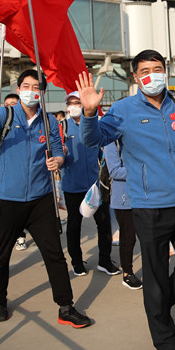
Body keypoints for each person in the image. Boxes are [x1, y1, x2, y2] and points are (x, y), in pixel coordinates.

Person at [78, 50, 175, 350]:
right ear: (136, 77)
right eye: (145, 70)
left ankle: (160, 305)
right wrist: (88, 113)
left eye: (158, 68)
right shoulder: (123, 110)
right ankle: (166, 343)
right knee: (154, 274)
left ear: (166, 71)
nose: (153, 75)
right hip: (149, 205)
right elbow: (92, 139)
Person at [0, 69, 92, 328]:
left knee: (54, 253)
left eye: (36, 87)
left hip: (41, 199)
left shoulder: (49, 121)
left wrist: (57, 160)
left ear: (43, 92)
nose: (31, 91)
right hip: (7, 199)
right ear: (19, 87)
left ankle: (65, 307)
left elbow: (59, 152)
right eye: (26, 85)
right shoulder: (5, 115)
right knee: (1, 254)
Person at [62, 91, 117, 277]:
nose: (73, 106)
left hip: (96, 186)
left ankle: (105, 261)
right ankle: (77, 262)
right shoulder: (61, 127)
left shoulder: (96, 125)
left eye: (77, 102)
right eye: (70, 103)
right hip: (72, 186)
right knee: (74, 225)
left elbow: (105, 150)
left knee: (103, 224)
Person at [104, 139, 142, 289]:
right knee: (128, 237)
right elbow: (114, 170)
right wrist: (141, 170)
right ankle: (127, 274)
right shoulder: (111, 141)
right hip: (123, 198)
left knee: (147, 235)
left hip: (141, 195)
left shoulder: (134, 134)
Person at [2, 93, 28, 251]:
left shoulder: (26, 125)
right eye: (7, 104)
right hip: (4, 181)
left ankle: (21, 237)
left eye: (13, 103)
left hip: (23, 179)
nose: (10, 106)